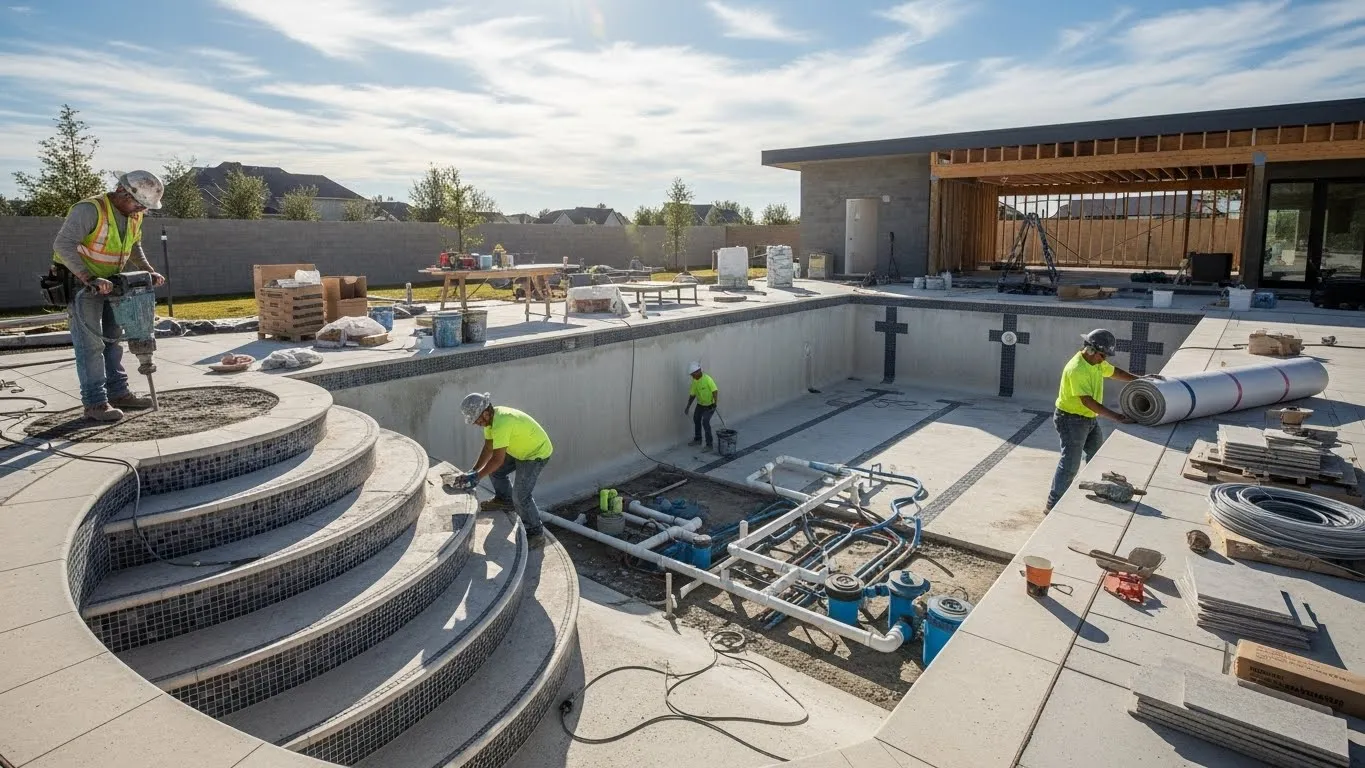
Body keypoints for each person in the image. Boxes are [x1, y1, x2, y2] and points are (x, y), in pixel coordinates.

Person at [51, 170, 167, 423]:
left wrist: (148, 270)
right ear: (122, 192)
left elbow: (134, 245)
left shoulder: (135, 215)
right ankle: (95, 403)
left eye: (145, 207)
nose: (141, 210)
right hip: (82, 285)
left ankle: (118, 392)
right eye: (139, 203)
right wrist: (88, 278)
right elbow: (62, 244)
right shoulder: (90, 210)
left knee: (113, 340)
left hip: (113, 283)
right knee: (91, 345)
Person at [1045, 328, 1155, 512]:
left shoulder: (1095, 362)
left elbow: (1114, 372)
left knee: (1095, 453)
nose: (1104, 360)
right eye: (1102, 356)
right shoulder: (1077, 369)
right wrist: (1117, 417)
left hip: (1088, 419)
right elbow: (1087, 401)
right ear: (1090, 349)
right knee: (1070, 463)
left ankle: (1096, 488)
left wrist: (1138, 380)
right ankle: (1053, 504)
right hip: (1071, 420)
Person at [453, 392, 553, 549]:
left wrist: (477, 478)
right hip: (519, 450)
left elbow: (497, 460)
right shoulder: (491, 422)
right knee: (495, 471)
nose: (476, 423)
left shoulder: (503, 422)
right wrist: (474, 470)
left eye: (476, 419)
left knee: (521, 496)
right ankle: (505, 500)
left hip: (535, 453)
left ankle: (536, 533)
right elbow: (488, 447)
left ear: (485, 412)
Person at [683, 362, 719, 452]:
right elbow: (692, 395)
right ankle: (698, 439)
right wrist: (688, 406)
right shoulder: (695, 382)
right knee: (696, 419)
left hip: (710, 405)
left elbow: (715, 391)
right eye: (691, 375)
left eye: (693, 374)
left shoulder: (707, 379)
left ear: (698, 371)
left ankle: (709, 445)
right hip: (700, 405)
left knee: (705, 422)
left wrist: (715, 403)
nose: (692, 376)